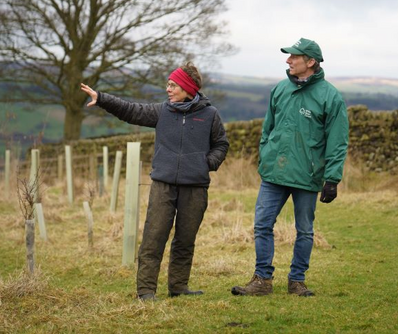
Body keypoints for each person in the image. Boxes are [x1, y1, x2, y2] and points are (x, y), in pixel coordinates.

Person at [80, 62, 229, 301]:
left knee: (185, 239)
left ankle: (178, 288)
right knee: (154, 237)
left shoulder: (210, 115)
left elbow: (221, 144)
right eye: (168, 84)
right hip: (163, 185)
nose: (167, 89)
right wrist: (102, 98)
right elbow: (130, 110)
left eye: (173, 85)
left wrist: (206, 163)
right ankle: (146, 291)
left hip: (196, 187)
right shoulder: (162, 112)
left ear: (187, 88)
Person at [231, 37, 349, 297]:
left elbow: (338, 141)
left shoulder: (330, 97)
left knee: (304, 230)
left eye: (294, 57)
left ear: (310, 61)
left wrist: (332, 178)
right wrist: (266, 155)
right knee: (262, 224)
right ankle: (262, 280)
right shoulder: (280, 89)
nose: (288, 60)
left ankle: (297, 281)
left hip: (306, 176)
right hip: (274, 173)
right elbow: (267, 129)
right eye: (289, 56)